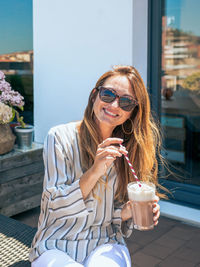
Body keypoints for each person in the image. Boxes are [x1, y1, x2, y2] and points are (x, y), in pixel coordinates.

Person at [29, 65, 161, 267]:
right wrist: (95, 171)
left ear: (132, 113)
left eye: (126, 102)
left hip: (106, 242)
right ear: (94, 96)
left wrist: (127, 212)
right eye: (108, 94)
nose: (115, 105)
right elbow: (54, 206)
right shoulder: (59, 137)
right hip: (56, 243)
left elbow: (113, 217)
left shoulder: (128, 150)